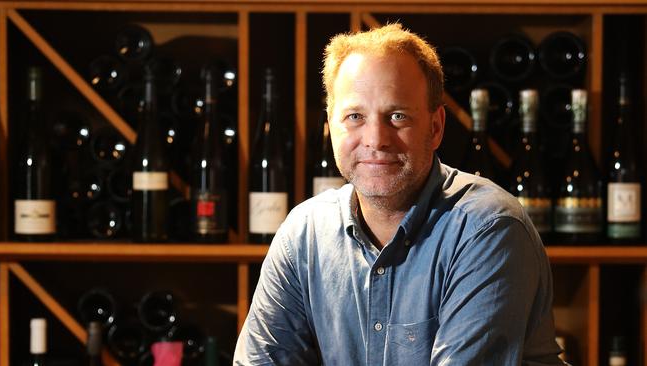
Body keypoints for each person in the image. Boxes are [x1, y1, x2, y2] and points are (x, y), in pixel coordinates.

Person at [234, 23, 565, 365]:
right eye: (355, 116)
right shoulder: (303, 233)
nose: (376, 139)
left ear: (435, 127)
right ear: (330, 126)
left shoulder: (487, 229)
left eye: (397, 116)